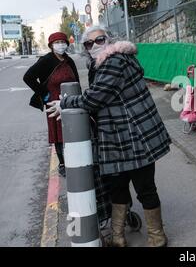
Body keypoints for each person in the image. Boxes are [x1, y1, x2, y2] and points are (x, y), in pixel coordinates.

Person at [47, 26, 172, 247]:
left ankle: (156, 237)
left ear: (109, 40)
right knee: (119, 188)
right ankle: (118, 237)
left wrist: (64, 102)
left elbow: (95, 98)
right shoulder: (105, 63)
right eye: (89, 43)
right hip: (118, 138)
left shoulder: (115, 61)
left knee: (144, 188)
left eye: (99, 40)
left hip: (134, 136)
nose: (94, 46)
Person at [23, 32, 79, 177]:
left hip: (71, 101)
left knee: (73, 131)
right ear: (51, 45)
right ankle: (62, 163)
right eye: (57, 42)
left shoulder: (69, 60)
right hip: (53, 102)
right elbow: (28, 77)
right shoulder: (46, 60)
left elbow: (77, 81)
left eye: (62, 41)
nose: (60, 44)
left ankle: (75, 158)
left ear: (67, 44)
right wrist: (44, 93)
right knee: (58, 132)